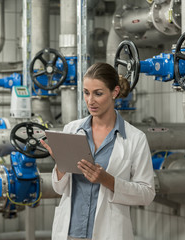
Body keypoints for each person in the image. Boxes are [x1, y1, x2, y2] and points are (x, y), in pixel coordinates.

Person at [40, 62, 155, 240]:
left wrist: (107, 180)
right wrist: (61, 164)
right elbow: (60, 188)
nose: (90, 101)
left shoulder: (135, 138)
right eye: (86, 93)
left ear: (115, 92)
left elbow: (147, 194)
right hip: (70, 232)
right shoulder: (72, 129)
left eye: (98, 93)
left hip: (109, 233)